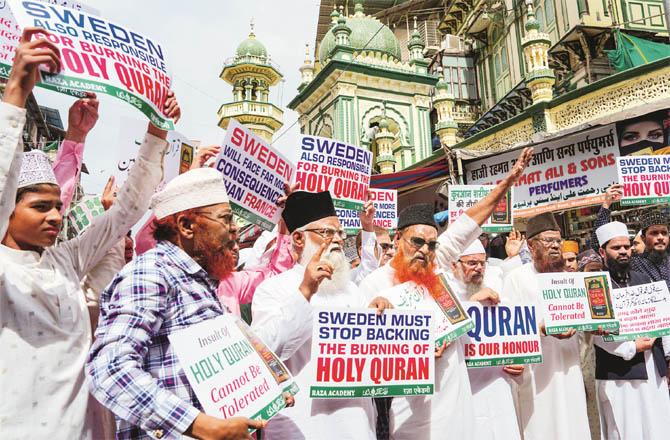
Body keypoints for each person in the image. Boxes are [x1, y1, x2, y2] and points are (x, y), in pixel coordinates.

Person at [0, 27, 178, 439]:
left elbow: (128, 210)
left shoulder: (66, 259)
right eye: (40, 207)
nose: (55, 217)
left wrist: (157, 132)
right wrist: (16, 92)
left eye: (57, 206)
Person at [87, 168, 304, 439]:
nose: (234, 228)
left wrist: (265, 391)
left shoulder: (202, 282)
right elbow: (110, 368)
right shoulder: (151, 273)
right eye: (225, 219)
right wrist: (201, 425)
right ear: (186, 226)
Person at [358, 147, 533, 440]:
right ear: (399, 238)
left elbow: (470, 221)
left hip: (457, 401)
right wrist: (413, 349)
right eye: (417, 242)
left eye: (432, 244)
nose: (425, 250)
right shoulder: (375, 284)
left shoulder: (436, 266)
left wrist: (508, 182)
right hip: (411, 412)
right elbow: (366, 352)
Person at [251, 190, 391, 440]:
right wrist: (305, 292)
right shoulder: (273, 289)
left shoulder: (350, 289)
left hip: (357, 423)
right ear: (298, 238)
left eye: (340, 233)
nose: (337, 239)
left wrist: (378, 314)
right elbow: (266, 354)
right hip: (301, 426)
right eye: (327, 232)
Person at [502, 212, 591, 440]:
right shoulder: (516, 279)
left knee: (574, 424)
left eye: (558, 241)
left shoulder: (569, 278)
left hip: (570, 366)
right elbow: (509, 327)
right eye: (548, 241)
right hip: (537, 373)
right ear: (531, 246)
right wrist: (540, 330)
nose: (555, 246)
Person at [592, 221, 670, 439]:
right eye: (616, 248)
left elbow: (663, 319)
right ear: (602, 251)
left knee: (659, 427)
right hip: (619, 375)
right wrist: (631, 347)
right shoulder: (595, 284)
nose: (624, 252)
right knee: (626, 430)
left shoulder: (644, 280)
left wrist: (668, 358)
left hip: (654, 369)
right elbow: (596, 332)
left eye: (626, 246)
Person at [446, 239, 523, 440]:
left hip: (499, 387)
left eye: (482, 263)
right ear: (454, 265)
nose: (479, 268)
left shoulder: (495, 290)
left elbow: (513, 335)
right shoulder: (444, 292)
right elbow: (444, 332)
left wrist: (517, 361)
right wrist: (471, 303)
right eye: (472, 263)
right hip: (465, 391)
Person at [595, 184, 670, 289]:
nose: (661, 237)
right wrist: (606, 204)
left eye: (664, 233)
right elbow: (602, 238)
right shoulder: (635, 263)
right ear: (643, 238)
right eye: (654, 233)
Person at [350, 198, 379, 284]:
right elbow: (369, 268)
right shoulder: (352, 278)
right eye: (383, 247)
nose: (390, 251)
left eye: (390, 246)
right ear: (362, 250)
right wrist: (367, 225)